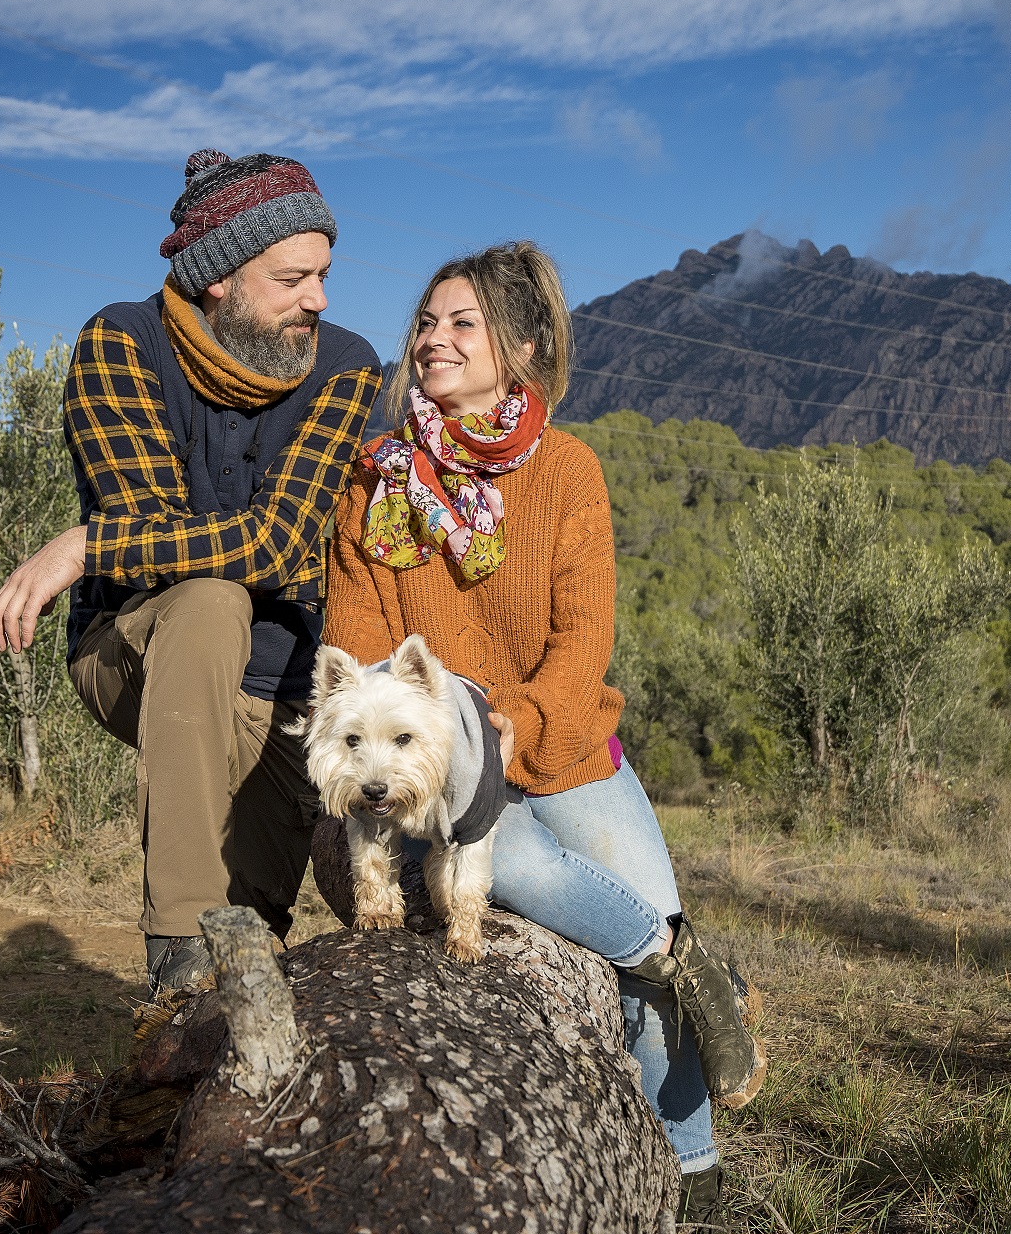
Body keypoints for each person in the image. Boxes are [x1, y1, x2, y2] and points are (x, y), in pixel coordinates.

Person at [321, 241, 764, 1224]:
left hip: (563, 744)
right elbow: (357, 652)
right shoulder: (372, 483)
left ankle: (693, 1173)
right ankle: (688, 963)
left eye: (461, 322)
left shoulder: (568, 472)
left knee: (641, 916)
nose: (432, 338)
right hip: (442, 767)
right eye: (426, 323)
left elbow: (582, 645)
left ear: (520, 348)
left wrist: (511, 723)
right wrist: (447, 749)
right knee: (520, 871)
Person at [0, 149, 383, 994]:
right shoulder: (120, 343)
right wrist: (120, 543)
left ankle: (191, 1048)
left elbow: (280, 544)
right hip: (135, 652)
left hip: (282, 694)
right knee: (206, 598)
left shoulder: (348, 362)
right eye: (292, 277)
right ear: (218, 280)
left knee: (253, 959)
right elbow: (170, 548)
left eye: (324, 273)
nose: (319, 298)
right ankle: (176, 941)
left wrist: (91, 543)